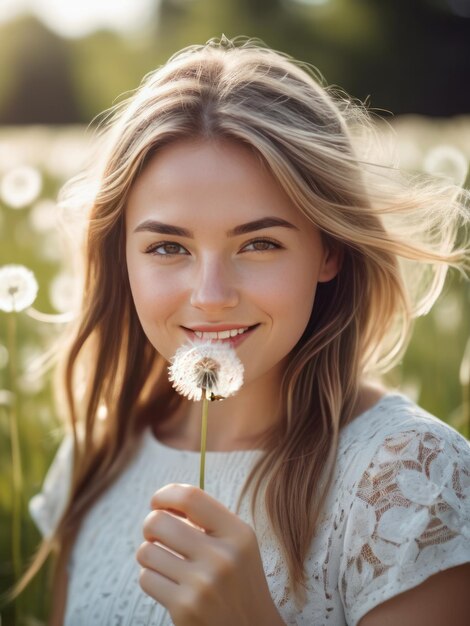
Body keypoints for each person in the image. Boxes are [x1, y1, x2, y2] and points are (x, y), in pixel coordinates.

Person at [24, 37, 469, 625]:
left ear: (328, 251)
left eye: (259, 243)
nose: (211, 296)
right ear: (121, 258)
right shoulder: (97, 455)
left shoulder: (412, 479)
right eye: (167, 246)